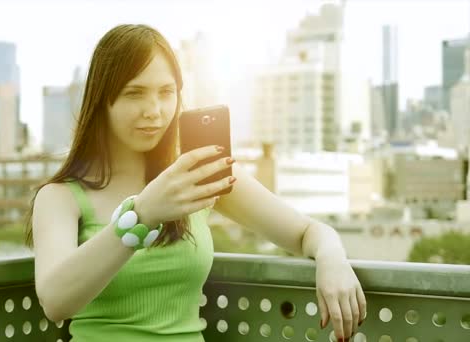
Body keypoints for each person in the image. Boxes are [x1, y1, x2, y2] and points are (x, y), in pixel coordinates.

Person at [26, 24, 366, 342]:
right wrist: (142, 215)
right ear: (102, 100)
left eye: (166, 92)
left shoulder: (200, 176)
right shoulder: (61, 197)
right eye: (135, 93)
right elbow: (56, 301)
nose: (154, 110)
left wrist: (332, 259)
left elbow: (307, 233)